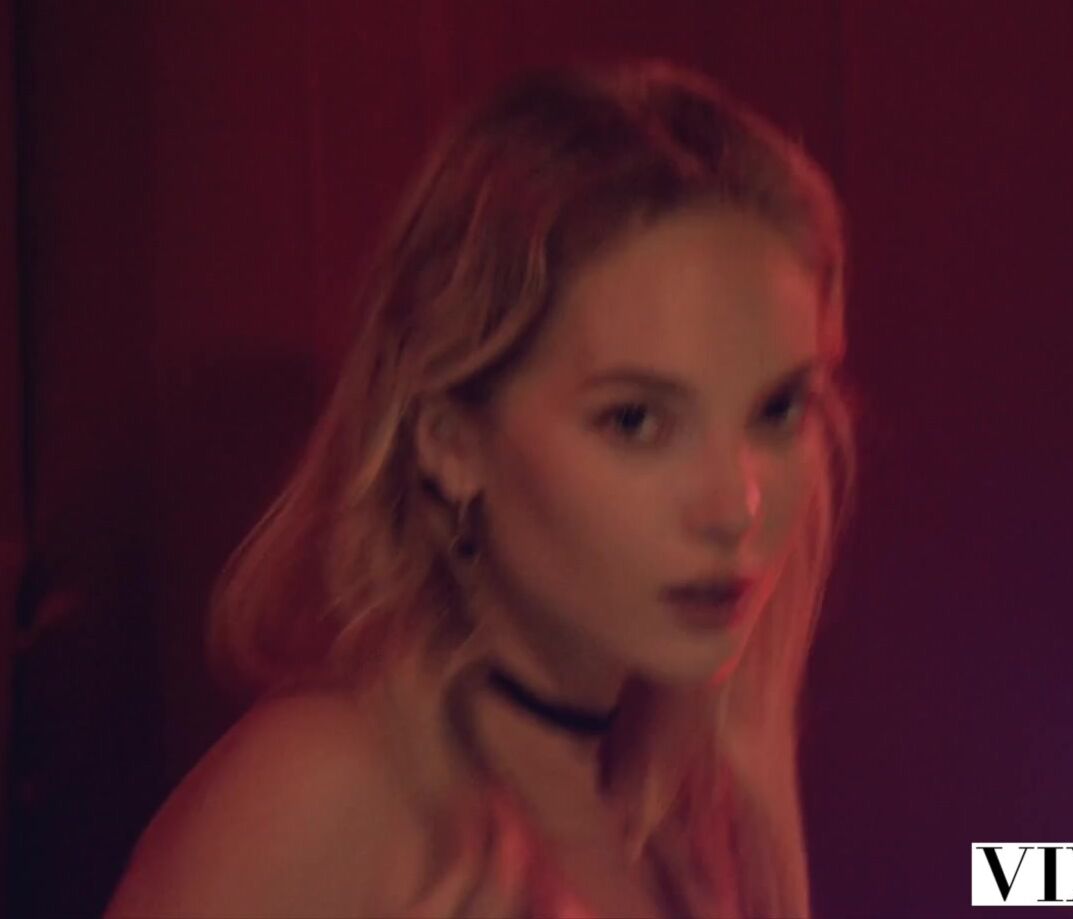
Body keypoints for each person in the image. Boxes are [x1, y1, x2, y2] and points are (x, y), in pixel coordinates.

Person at [105, 58, 858, 918]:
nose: (735, 507)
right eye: (636, 421)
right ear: (450, 441)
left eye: (777, 410)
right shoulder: (329, 791)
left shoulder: (673, 825)